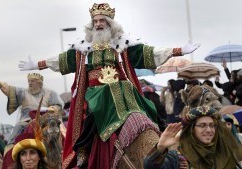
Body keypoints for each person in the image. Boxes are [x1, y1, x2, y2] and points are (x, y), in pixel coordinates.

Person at [18, 3, 200, 168]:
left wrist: (178, 50)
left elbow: (148, 53)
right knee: (91, 116)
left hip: (122, 94)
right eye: (95, 21)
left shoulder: (122, 45)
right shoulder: (83, 49)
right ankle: (83, 151)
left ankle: (158, 137)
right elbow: (60, 61)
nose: (98, 24)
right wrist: (38, 65)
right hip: (94, 95)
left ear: (110, 23)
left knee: (140, 108)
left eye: (102, 20)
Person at [143, 106, 242, 169]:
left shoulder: (223, 153)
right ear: (192, 130)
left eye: (212, 125)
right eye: (202, 125)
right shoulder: (177, 157)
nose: (209, 130)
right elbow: (150, 167)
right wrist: (160, 148)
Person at [0, 71, 64, 144]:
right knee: (15, 133)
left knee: (61, 132)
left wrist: (50, 109)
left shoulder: (50, 93)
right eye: (29, 81)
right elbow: (9, 90)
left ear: (39, 82)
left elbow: (57, 105)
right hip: (25, 120)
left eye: (33, 81)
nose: (30, 83)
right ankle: (9, 150)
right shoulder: (23, 92)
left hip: (44, 120)